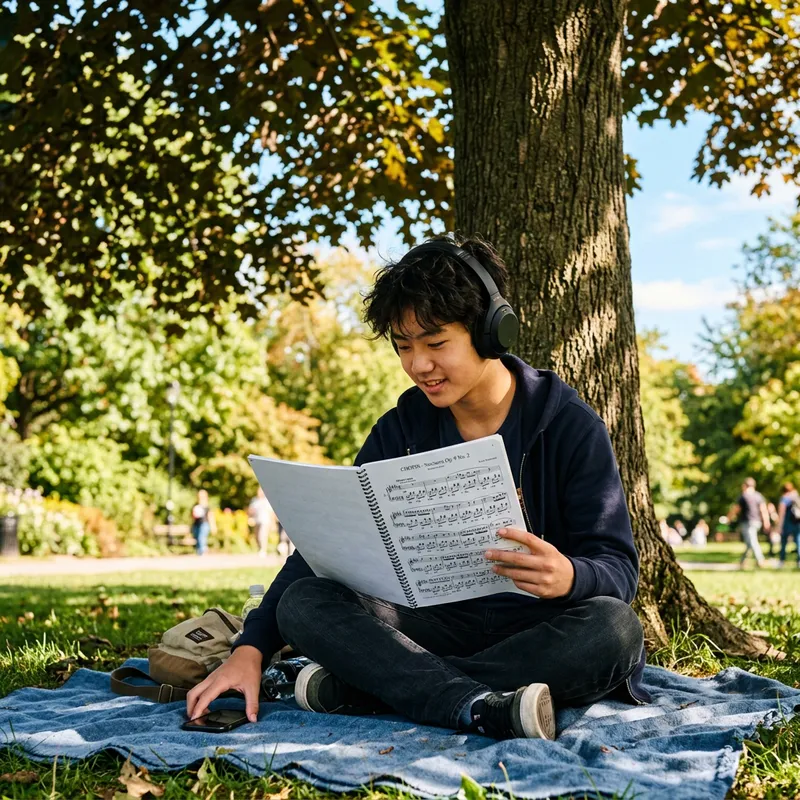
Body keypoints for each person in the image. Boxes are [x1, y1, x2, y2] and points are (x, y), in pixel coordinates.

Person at [186, 236, 647, 740]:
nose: (418, 365)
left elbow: (618, 569)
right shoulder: (399, 429)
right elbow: (323, 554)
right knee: (305, 600)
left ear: (490, 332)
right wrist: (249, 650)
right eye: (403, 347)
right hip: (424, 629)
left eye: (435, 343)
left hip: (534, 632)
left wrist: (570, 576)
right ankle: (477, 704)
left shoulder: (568, 426)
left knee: (616, 630)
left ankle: (378, 687)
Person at [728, 478, 770, 569]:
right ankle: (742, 562)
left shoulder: (743, 496)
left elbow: (736, 509)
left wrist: (728, 518)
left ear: (744, 485)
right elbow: (763, 510)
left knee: (752, 541)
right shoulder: (759, 496)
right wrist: (766, 522)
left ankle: (760, 560)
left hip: (747, 522)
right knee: (749, 542)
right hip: (757, 522)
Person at [248, 488, 277, 558]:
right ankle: (259, 548)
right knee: (256, 536)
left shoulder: (267, 501)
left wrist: (273, 523)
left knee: (262, 535)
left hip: (265, 521)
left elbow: (271, 513)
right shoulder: (255, 500)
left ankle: (263, 550)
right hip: (256, 521)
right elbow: (250, 510)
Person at [777, 482, 800, 568]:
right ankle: (799, 561)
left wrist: (779, 526)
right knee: (798, 541)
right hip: (797, 523)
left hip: (787, 524)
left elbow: (781, 512)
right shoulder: (796, 497)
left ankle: (782, 561)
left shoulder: (784, 498)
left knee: (783, 543)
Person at [190, 489, 216, 556]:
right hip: (196, 524)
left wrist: (213, 526)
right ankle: (199, 552)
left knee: (201, 537)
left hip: (204, 524)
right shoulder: (195, 506)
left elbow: (210, 516)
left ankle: (203, 551)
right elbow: (192, 516)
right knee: (197, 538)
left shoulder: (207, 506)